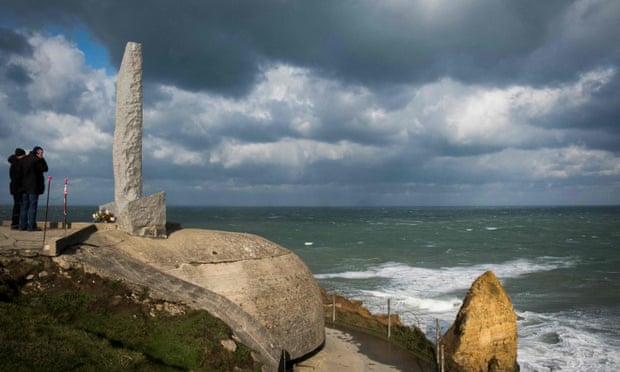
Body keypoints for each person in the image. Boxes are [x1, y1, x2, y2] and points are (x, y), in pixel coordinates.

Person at [19, 146, 48, 231]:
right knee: (32, 207)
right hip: (33, 187)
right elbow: (45, 169)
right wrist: (42, 159)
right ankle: (31, 226)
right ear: (37, 153)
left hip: (23, 187)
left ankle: (22, 226)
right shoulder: (36, 160)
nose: (42, 155)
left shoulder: (24, 160)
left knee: (24, 207)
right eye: (41, 153)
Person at [8, 148, 26, 230]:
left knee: (17, 206)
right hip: (18, 188)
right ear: (20, 156)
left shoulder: (14, 164)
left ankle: (16, 223)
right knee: (18, 206)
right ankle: (15, 223)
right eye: (23, 155)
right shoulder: (17, 165)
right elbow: (18, 177)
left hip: (15, 188)